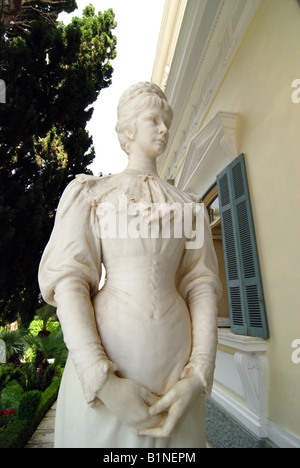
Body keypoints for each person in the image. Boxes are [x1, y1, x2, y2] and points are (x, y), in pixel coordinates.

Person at [38, 82, 221, 448]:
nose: (164, 128)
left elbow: (200, 285)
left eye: (166, 120)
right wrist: (102, 380)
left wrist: (199, 373)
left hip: (176, 379)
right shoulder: (92, 195)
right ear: (128, 129)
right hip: (109, 381)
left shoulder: (189, 207)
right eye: (154, 119)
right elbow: (70, 282)